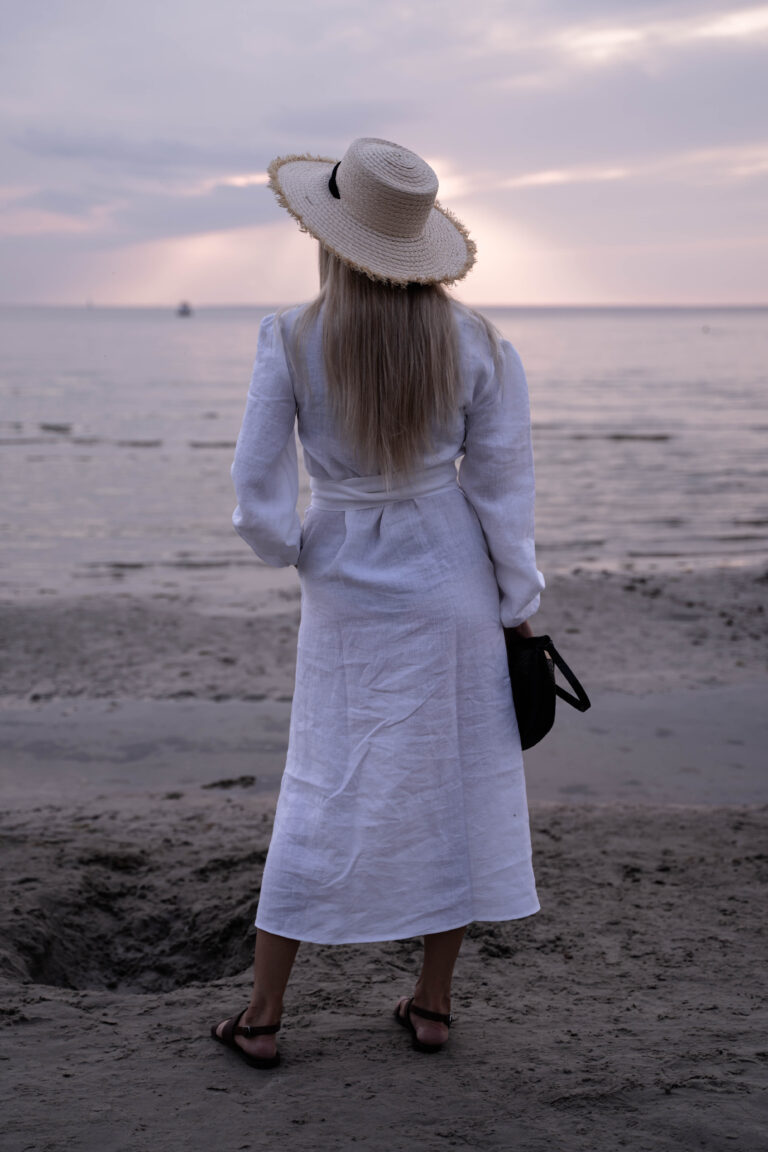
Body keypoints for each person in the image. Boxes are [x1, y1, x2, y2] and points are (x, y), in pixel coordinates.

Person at [212, 137, 544, 1069]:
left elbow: (256, 491)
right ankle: (431, 1005)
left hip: (344, 577)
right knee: (454, 782)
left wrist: (296, 548)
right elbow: (504, 492)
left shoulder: (290, 335)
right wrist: (517, 602)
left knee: (322, 779)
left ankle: (265, 1016)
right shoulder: (478, 341)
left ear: (330, 236)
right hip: (452, 574)